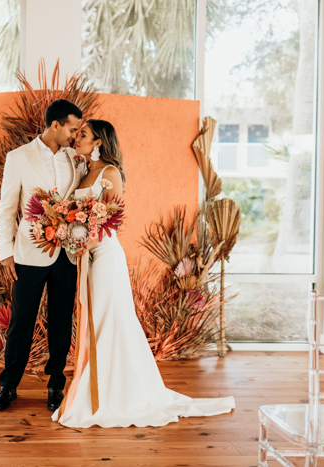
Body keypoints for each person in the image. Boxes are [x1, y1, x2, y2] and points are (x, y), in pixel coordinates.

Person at [53, 119, 236, 428]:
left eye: (83, 134)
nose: (77, 138)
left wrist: (83, 240)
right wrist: (70, 235)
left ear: (98, 142)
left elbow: (113, 220)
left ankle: (111, 395)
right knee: (97, 322)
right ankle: (99, 387)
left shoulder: (110, 173)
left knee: (108, 320)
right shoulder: (84, 172)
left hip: (105, 256)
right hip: (86, 256)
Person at [0, 99, 86, 412]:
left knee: (61, 321)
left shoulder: (77, 159)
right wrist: (6, 252)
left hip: (66, 254)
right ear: (55, 125)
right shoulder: (18, 157)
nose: (75, 135)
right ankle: (8, 385)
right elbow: (7, 208)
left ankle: (56, 385)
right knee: (21, 321)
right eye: (72, 128)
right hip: (28, 253)